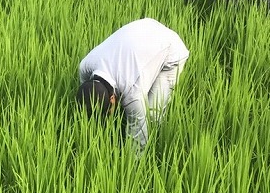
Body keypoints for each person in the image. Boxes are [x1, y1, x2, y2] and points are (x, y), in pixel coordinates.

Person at [76, 18, 189, 151]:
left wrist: (131, 165)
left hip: (170, 50)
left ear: (112, 99)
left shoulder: (132, 94)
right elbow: (90, 94)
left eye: (107, 114)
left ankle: (155, 146)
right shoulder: (85, 66)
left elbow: (139, 139)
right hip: (145, 27)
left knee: (153, 116)